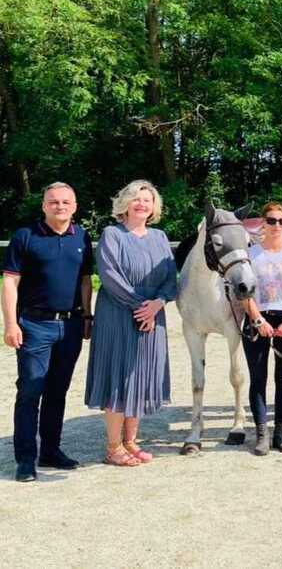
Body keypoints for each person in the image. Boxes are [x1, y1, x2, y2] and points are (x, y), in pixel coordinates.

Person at [3, 182, 94, 482]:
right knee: (30, 391)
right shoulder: (25, 237)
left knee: (58, 391)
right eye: (53, 202)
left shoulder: (82, 236)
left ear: (75, 206)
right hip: (34, 326)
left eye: (66, 201)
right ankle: (26, 460)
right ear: (43, 206)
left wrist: (87, 315)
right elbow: (10, 283)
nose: (60, 206)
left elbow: (84, 281)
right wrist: (10, 324)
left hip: (70, 326)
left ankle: (51, 451)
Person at [84, 180, 177, 467]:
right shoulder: (112, 234)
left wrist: (157, 304)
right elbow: (110, 278)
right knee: (119, 377)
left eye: (147, 200)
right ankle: (113, 447)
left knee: (140, 377)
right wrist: (142, 308)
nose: (142, 204)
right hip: (119, 315)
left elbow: (171, 279)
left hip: (152, 314)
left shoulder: (160, 237)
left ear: (154, 207)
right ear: (125, 203)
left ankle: (130, 441)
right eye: (136, 198)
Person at [242, 203, 282, 455]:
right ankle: (261, 434)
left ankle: (280, 432)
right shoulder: (250, 254)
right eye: (271, 220)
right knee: (258, 379)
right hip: (258, 319)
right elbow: (243, 291)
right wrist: (258, 320)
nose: (277, 225)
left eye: (281, 221)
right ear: (263, 224)